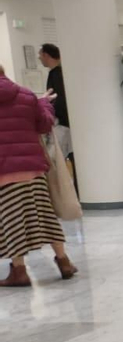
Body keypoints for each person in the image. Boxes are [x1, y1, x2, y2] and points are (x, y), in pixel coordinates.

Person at [0, 63, 74, 286]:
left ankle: (19, 270)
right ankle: (64, 261)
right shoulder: (26, 95)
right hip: (34, 169)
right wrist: (44, 104)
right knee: (46, 216)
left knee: (12, 220)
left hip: (4, 173)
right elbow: (44, 124)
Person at [38, 43, 68, 158]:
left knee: (55, 157)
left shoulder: (57, 74)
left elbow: (60, 98)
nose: (39, 58)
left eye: (40, 55)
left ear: (46, 55)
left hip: (62, 123)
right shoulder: (57, 73)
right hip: (62, 122)